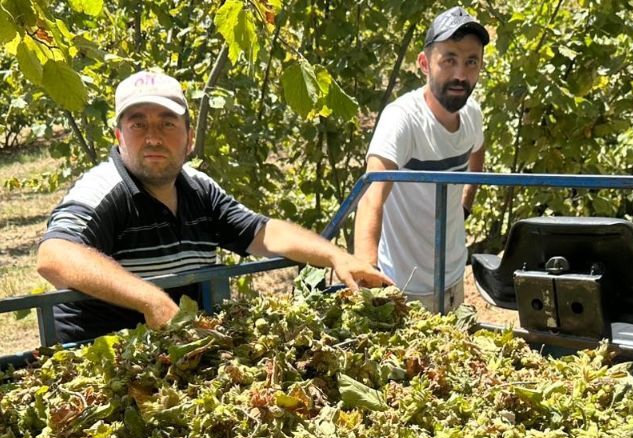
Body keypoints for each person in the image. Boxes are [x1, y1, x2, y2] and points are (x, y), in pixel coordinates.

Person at [37, 70, 392, 343]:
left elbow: (263, 232)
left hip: (181, 351)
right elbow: (54, 256)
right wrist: (153, 301)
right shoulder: (103, 189)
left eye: (167, 123)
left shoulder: (198, 188)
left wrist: (335, 256)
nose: (153, 137)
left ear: (189, 137)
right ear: (119, 136)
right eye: (138, 124)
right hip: (106, 361)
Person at [353, 6, 488, 313]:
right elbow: (371, 197)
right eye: (449, 60)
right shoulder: (402, 120)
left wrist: (466, 203)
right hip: (403, 285)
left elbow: (477, 151)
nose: (460, 74)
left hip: (453, 275)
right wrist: (367, 275)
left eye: (471, 62)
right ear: (425, 64)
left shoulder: (472, 115)